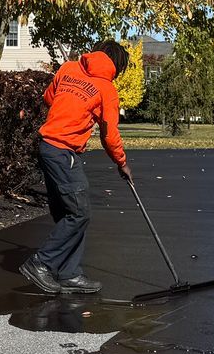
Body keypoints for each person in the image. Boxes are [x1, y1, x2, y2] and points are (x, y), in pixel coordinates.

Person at [19, 40, 132, 297]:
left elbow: (49, 97)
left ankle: (69, 273)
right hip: (63, 151)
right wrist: (122, 163)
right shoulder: (106, 89)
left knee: (67, 213)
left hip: (47, 148)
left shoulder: (69, 68)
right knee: (79, 213)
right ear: (117, 65)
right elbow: (110, 135)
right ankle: (41, 263)